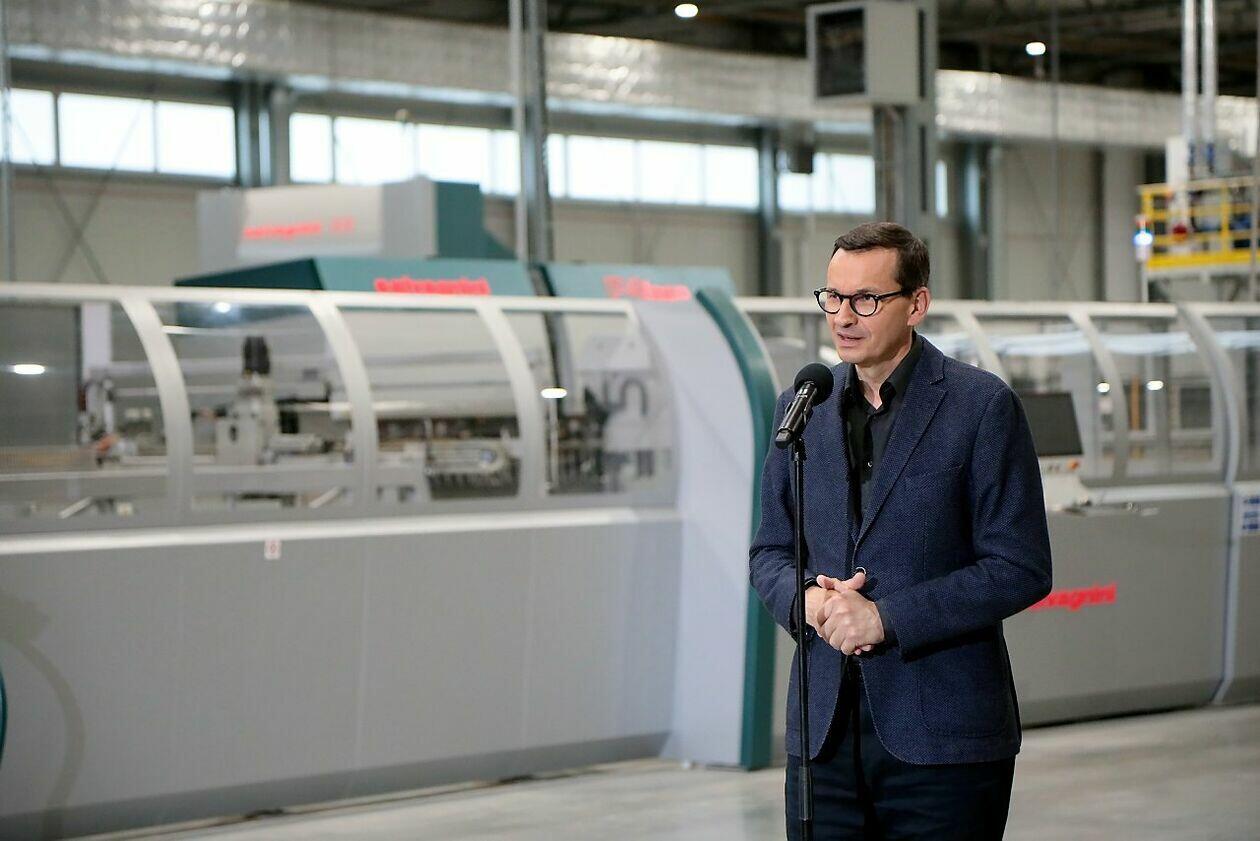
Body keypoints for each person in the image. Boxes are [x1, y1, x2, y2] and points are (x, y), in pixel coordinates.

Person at [749, 222, 1052, 840]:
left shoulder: (980, 406)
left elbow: (1019, 566)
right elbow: (770, 550)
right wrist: (809, 602)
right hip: (823, 735)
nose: (843, 316)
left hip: (944, 739)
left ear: (916, 304)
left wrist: (885, 618)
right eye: (833, 297)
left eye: (866, 299)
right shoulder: (803, 407)